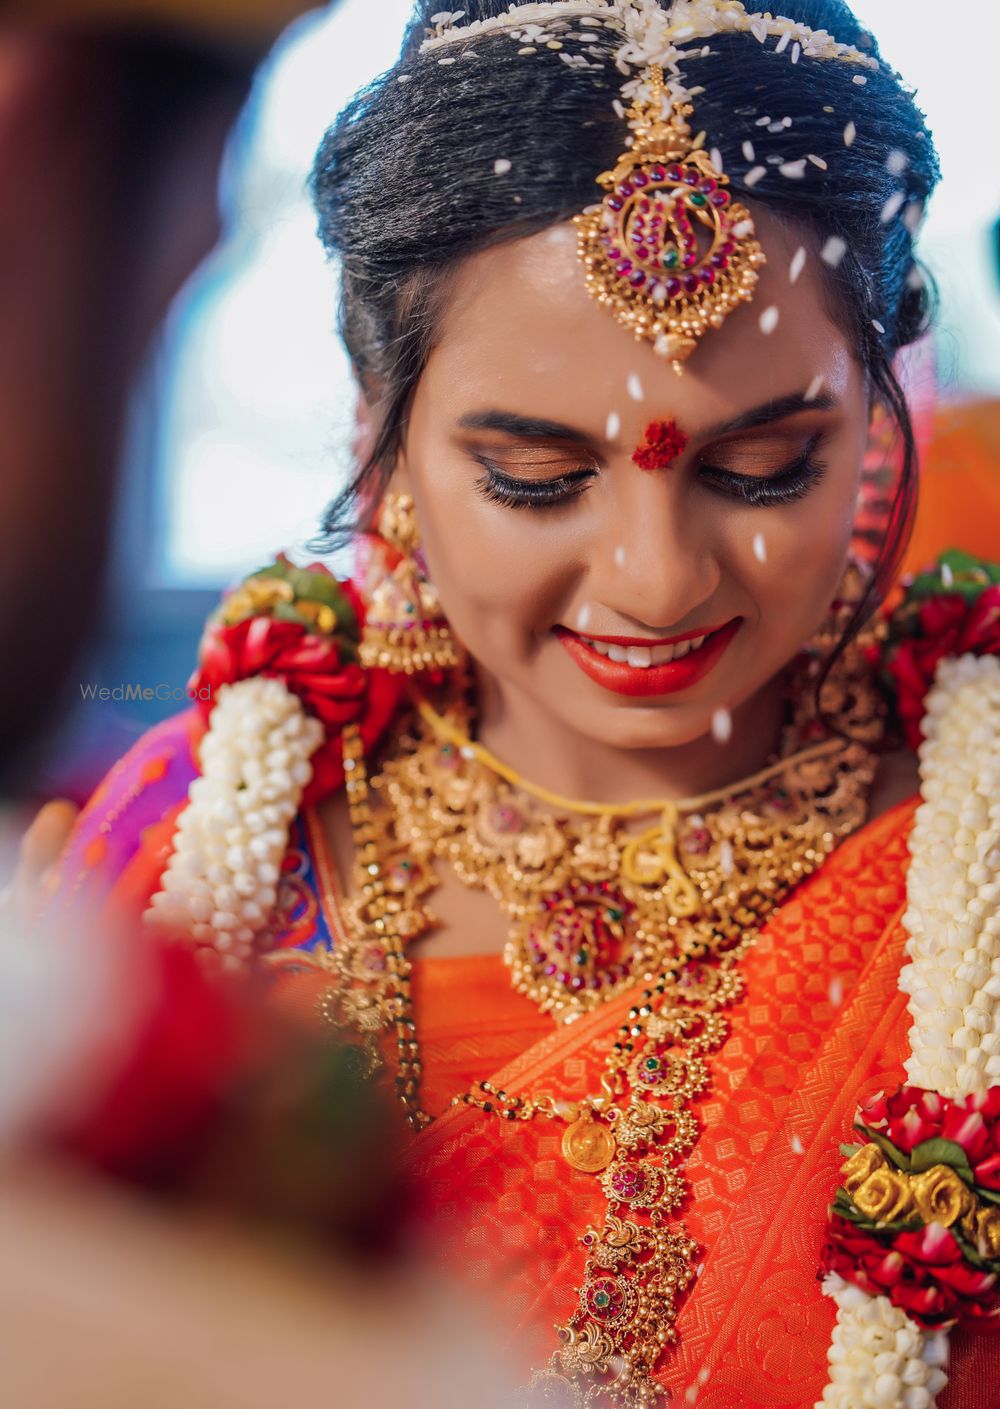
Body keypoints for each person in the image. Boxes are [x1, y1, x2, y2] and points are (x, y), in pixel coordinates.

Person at [46, 2, 1000, 1406]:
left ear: (879, 403)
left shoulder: (967, 861)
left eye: (769, 466)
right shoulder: (198, 843)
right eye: (538, 478)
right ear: (381, 432)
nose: (658, 579)